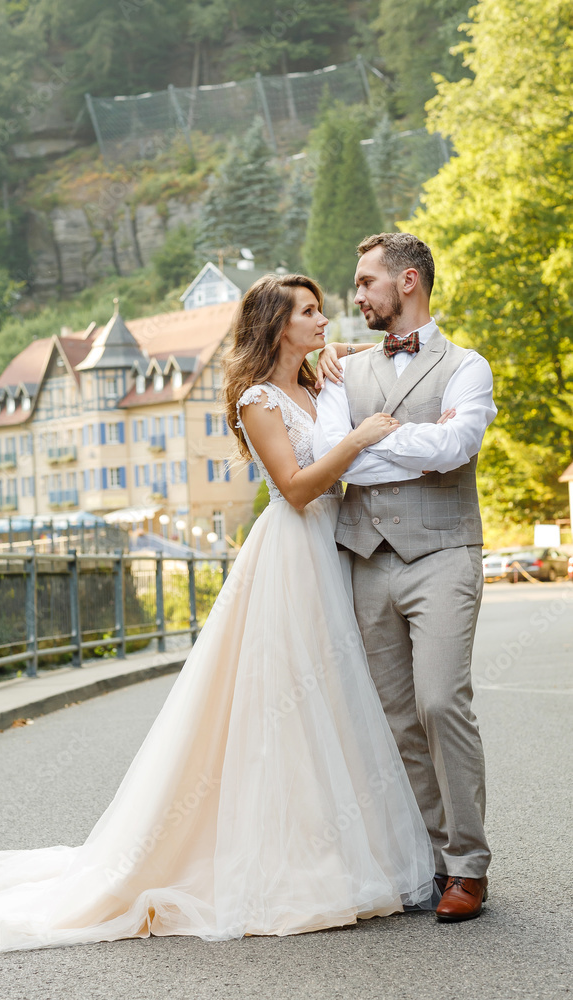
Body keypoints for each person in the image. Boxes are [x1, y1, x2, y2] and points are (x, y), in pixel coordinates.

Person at [0, 273, 435, 953]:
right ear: (277, 324)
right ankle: (291, 860)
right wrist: (358, 439)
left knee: (338, 700)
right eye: (309, 312)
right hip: (293, 553)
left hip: (337, 551)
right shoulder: (256, 400)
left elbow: (364, 375)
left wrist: (336, 382)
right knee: (286, 702)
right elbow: (297, 488)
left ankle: (348, 850)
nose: (324, 321)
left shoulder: (318, 381)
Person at [313, 232, 497, 922]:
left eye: (365, 282)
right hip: (363, 556)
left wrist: (372, 442)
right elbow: (335, 461)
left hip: (443, 554)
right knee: (392, 717)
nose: (355, 296)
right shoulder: (342, 372)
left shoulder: (465, 366)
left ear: (408, 282)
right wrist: (407, 449)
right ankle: (432, 858)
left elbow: (458, 447)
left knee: (439, 702)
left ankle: (470, 865)